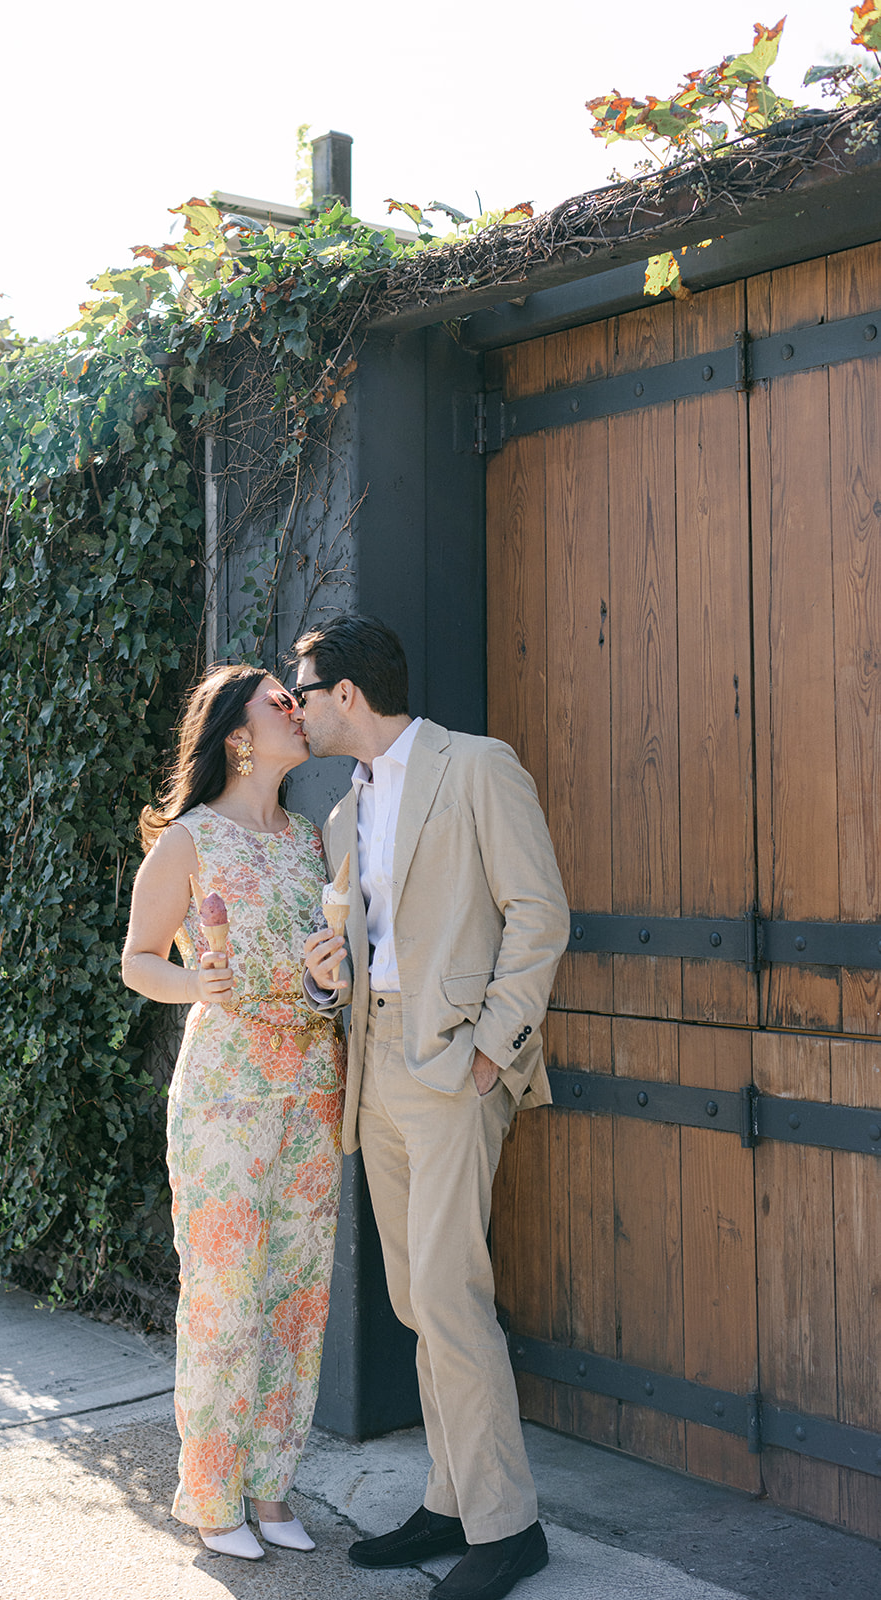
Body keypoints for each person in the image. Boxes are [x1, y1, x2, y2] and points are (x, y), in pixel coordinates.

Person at [296, 613, 569, 1600]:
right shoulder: (342, 813)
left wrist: (492, 1050)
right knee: (418, 1302)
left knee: (448, 1298)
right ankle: (450, 1499)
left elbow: (538, 912)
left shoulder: (476, 767)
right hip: (375, 1066)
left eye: (304, 687)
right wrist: (327, 984)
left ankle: (508, 1526)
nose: (295, 703)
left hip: (455, 1067)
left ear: (347, 695)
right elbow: (358, 949)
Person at [121, 664, 345, 1560]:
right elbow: (138, 960)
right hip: (223, 1099)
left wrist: (328, 983)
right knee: (223, 1299)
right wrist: (192, 982)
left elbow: (320, 969)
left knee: (297, 1296)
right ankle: (212, 1497)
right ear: (238, 735)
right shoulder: (188, 841)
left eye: (299, 700)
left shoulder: (308, 842)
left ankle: (271, 1487)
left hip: (311, 1091)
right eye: (279, 703)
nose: (298, 711)